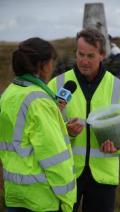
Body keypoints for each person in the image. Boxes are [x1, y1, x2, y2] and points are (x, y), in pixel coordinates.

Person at [48, 28, 120, 212]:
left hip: (103, 175)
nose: (84, 61)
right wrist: (67, 131)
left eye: (90, 55)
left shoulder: (118, 88)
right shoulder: (57, 84)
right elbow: (45, 126)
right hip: (66, 174)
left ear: (102, 55)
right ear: (76, 52)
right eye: (80, 54)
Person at [0, 37, 76, 212]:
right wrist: (67, 200)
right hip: (43, 198)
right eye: (51, 62)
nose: (53, 67)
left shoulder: (8, 94)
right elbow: (54, 157)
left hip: (15, 194)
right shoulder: (39, 101)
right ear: (42, 65)